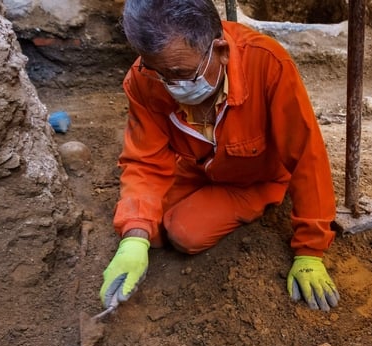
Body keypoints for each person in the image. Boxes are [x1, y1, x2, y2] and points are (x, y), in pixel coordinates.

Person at [99, 0, 340, 312]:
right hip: (198, 169)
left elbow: (307, 156)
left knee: (184, 232)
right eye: (158, 73)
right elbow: (144, 161)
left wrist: (310, 251)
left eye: (180, 73)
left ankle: (267, 195)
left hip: (256, 176)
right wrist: (133, 238)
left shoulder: (267, 64)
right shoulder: (145, 78)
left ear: (221, 51)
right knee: (149, 232)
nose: (171, 86)